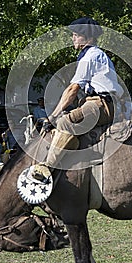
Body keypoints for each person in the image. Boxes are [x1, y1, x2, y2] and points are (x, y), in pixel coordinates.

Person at [32, 17, 124, 182]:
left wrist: (52, 116)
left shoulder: (91, 56)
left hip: (102, 104)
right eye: (73, 34)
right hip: (98, 102)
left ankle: (47, 167)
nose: (73, 38)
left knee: (65, 122)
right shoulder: (91, 55)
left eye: (76, 35)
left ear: (88, 39)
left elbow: (72, 90)